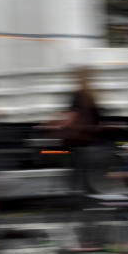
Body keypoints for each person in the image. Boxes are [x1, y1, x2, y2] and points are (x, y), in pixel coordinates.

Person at [45, 67, 103, 198]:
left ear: (78, 79)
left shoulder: (78, 95)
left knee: (75, 172)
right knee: (85, 174)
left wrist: (54, 123)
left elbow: (70, 117)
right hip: (90, 141)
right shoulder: (93, 95)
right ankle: (89, 198)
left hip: (77, 141)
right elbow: (99, 118)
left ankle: (75, 197)